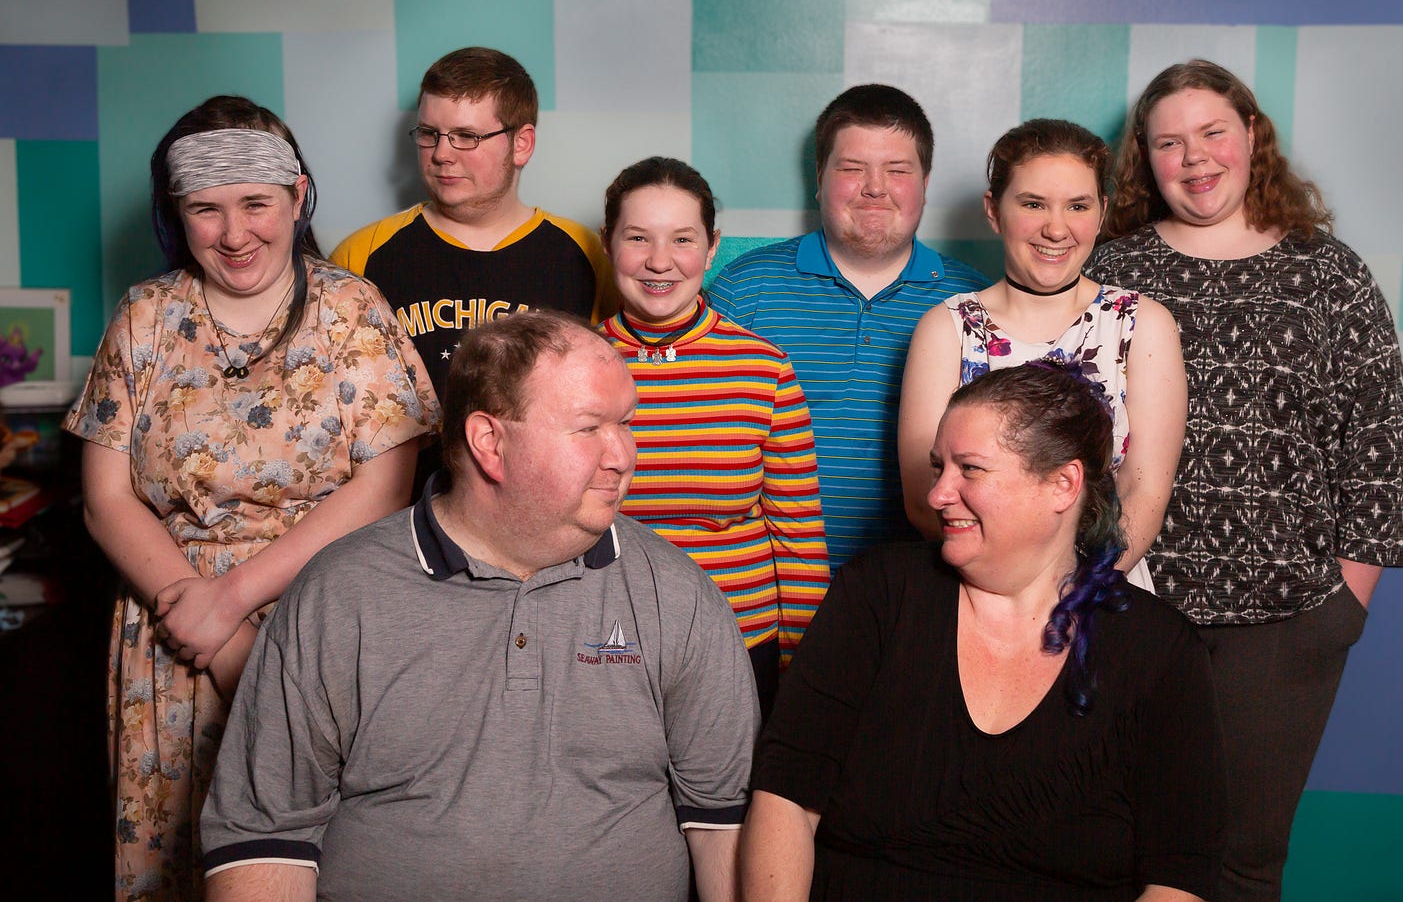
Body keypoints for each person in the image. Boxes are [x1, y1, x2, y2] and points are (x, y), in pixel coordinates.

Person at [201, 311, 758, 902]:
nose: (623, 454)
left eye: (626, 424)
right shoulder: (339, 595)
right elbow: (262, 842)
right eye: (589, 427)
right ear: (490, 442)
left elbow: (724, 824)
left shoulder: (676, 593)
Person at [64, 96, 438, 901]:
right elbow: (105, 499)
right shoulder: (143, 318)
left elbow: (386, 486)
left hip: (324, 628)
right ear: (178, 212)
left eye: (255, 205)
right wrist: (189, 608)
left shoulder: (353, 312)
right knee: (176, 865)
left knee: (331, 861)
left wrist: (231, 610)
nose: (234, 235)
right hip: (172, 640)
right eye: (206, 209)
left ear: (297, 197)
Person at [1089, 59, 1403, 900]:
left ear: (1250, 137)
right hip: (1132, 608)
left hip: (1286, 626)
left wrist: (1344, 606)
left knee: (1242, 861)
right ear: (1146, 161)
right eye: (1169, 142)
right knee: (1112, 844)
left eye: (1212, 133)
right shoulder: (1113, 272)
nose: (1194, 158)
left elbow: (1379, 443)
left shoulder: (1328, 273)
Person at [742, 363, 1226, 901]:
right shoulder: (876, 594)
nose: (937, 495)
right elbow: (784, 798)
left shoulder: (1159, 649)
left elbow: (1181, 877)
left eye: (970, 469)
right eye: (938, 467)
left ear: (1062, 484)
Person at [707, 84, 989, 570]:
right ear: (819, 178)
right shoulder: (743, 291)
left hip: (925, 584)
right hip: (768, 583)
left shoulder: (976, 304)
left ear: (925, 182)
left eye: (898, 170)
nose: (875, 188)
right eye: (852, 169)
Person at [899, 119, 1185, 591]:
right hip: (976, 590)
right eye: (1033, 204)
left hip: (1100, 588)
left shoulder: (1143, 324)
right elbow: (923, 495)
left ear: (1101, 212)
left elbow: (1145, 491)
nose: (1056, 228)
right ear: (994, 210)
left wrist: (1075, 591)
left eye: (1078, 206)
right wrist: (1012, 590)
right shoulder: (946, 327)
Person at [599, 157, 830, 714]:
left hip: (740, 642)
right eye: (638, 238)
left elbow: (796, 533)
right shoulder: (567, 367)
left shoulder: (763, 367)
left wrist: (803, 668)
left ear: (711, 247)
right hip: (607, 645)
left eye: (682, 239)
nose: (660, 262)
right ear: (608, 243)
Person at [331, 46, 616, 401]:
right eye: (428, 133)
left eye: (467, 137)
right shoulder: (360, 256)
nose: (441, 154)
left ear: (522, 144)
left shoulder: (589, 255)